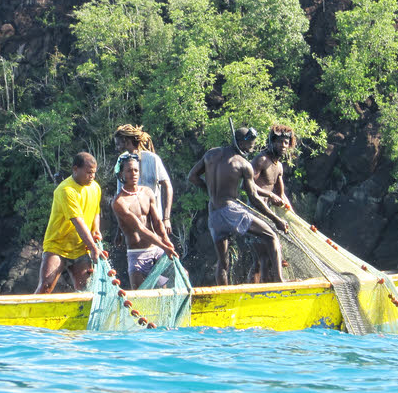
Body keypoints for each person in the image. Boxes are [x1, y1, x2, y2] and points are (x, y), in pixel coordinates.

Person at [188, 125, 288, 286]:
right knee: (271, 236)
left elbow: (192, 177)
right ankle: (280, 280)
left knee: (223, 262)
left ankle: (224, 295)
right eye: (251, 144)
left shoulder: (211, 153)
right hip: (230, 210)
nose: (252, 148)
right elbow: (254, 198)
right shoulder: (243, 164)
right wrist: (276, 219)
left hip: (213, 213)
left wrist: (210, 190)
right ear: (242, 142)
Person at [36, 152, 102, 294]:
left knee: (85, 290)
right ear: (75, 169)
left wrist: (96, 229)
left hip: (80, 247)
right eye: (88, 172)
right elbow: (77, 221)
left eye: (94, 173)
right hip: (57, 246)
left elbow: (96, 211)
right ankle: (27, 316)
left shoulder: (95, 187)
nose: (92, 176)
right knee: (46, 287)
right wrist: (93, 248)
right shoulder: (66, 190)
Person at [111, 153, 178, 289]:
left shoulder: (147, 192)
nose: (133, 174)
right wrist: (165, 247)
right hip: (137, 256)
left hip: (156, 250)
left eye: (136, 170)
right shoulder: (119, 202)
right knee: (141, 300)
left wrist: (166, 242)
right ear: (121, 174)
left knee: (170, 286)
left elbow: (158, 222)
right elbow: (140, 230)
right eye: (129, 171)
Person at [113, 125, 173, 234]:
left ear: (126, 141)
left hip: (154, 222)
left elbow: (167, 185)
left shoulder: (152, 159)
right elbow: (120, 194)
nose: (117, 148)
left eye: (118, 144)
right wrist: (120, 228)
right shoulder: (121, 160)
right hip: (133, 224)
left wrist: (166, 218)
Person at [251, 124, 295, 209]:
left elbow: (281, 195)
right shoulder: (261, 159)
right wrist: (270, 195)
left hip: (266, 209)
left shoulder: (279, 166)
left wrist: (295, 218)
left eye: (286, 142)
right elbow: (246, 185)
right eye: (280, 141)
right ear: (272, 142)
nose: (283, 145)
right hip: (253, 208)